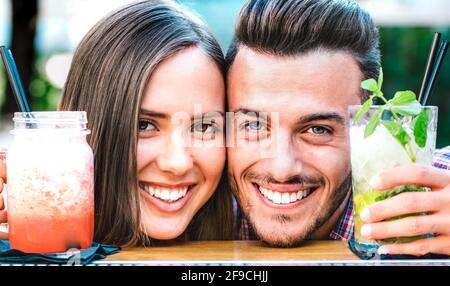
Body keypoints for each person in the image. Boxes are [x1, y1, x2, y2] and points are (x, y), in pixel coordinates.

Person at [0, 0, 233, 246]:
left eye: (204, 127)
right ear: (89, 129)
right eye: (144, 125)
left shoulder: (251, 228)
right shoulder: (30, 233)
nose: (177, 163)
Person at [226, 0, 450, 256]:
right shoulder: (197, 205)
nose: (282, 169)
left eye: (318, 129)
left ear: (366, 127)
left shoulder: (435, 194)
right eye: (254, 125)